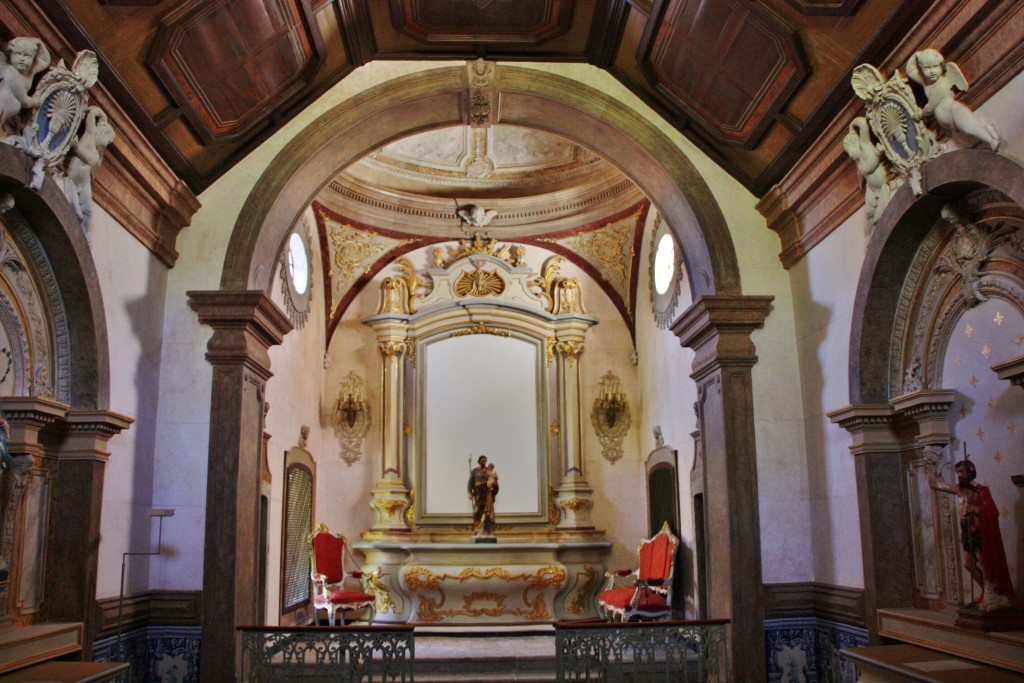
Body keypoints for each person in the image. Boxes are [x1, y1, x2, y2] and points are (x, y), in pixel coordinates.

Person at [927, 454, 1022, 611]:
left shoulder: (981, 491)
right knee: (968, 564)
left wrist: (976, 509)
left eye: (962, 472)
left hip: (980, 532)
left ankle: (993, 594)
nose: (959, 476)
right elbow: (934, 484)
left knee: (985, 565)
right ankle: (986, 591)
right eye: (957, 473)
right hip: (967, 532)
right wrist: (929, 466)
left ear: (970, 472)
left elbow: (992, 511)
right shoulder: (959, 490)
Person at [906, 49, 1001, 152]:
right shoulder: (925, 82)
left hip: (953, 111)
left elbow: (932, 105)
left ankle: (991, 141)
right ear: (921, 69)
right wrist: (916, 55)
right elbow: (910, 70)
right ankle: (988, 129)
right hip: (949, 122)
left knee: (969, 128)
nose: (932, 71)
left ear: (941, 66)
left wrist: (922, 114)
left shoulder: (942, 84)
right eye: (927, 68)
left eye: (935, 67)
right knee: (969, 133)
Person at [0, 37, 50, 130]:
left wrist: (38, 41)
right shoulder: (11, 74)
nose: (22, 59)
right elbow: (25, 102)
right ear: (10, 55)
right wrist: (35, 101)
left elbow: (45, 61)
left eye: (27, 56)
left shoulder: (29, 71)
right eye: (18, 54)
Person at [468, 455, 498, 536]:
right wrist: (469, 492)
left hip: (487, 494)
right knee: (477, 512)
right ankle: (477, 529)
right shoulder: (474, 471)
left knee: (487, 512)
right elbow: (470, 483)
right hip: (478, 495)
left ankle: (486, 531)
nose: (484, 462)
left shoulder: (489, 470)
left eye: (485, 461)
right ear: (479, 461)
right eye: (482, 461)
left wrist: (494, 484)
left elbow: (494, 481)